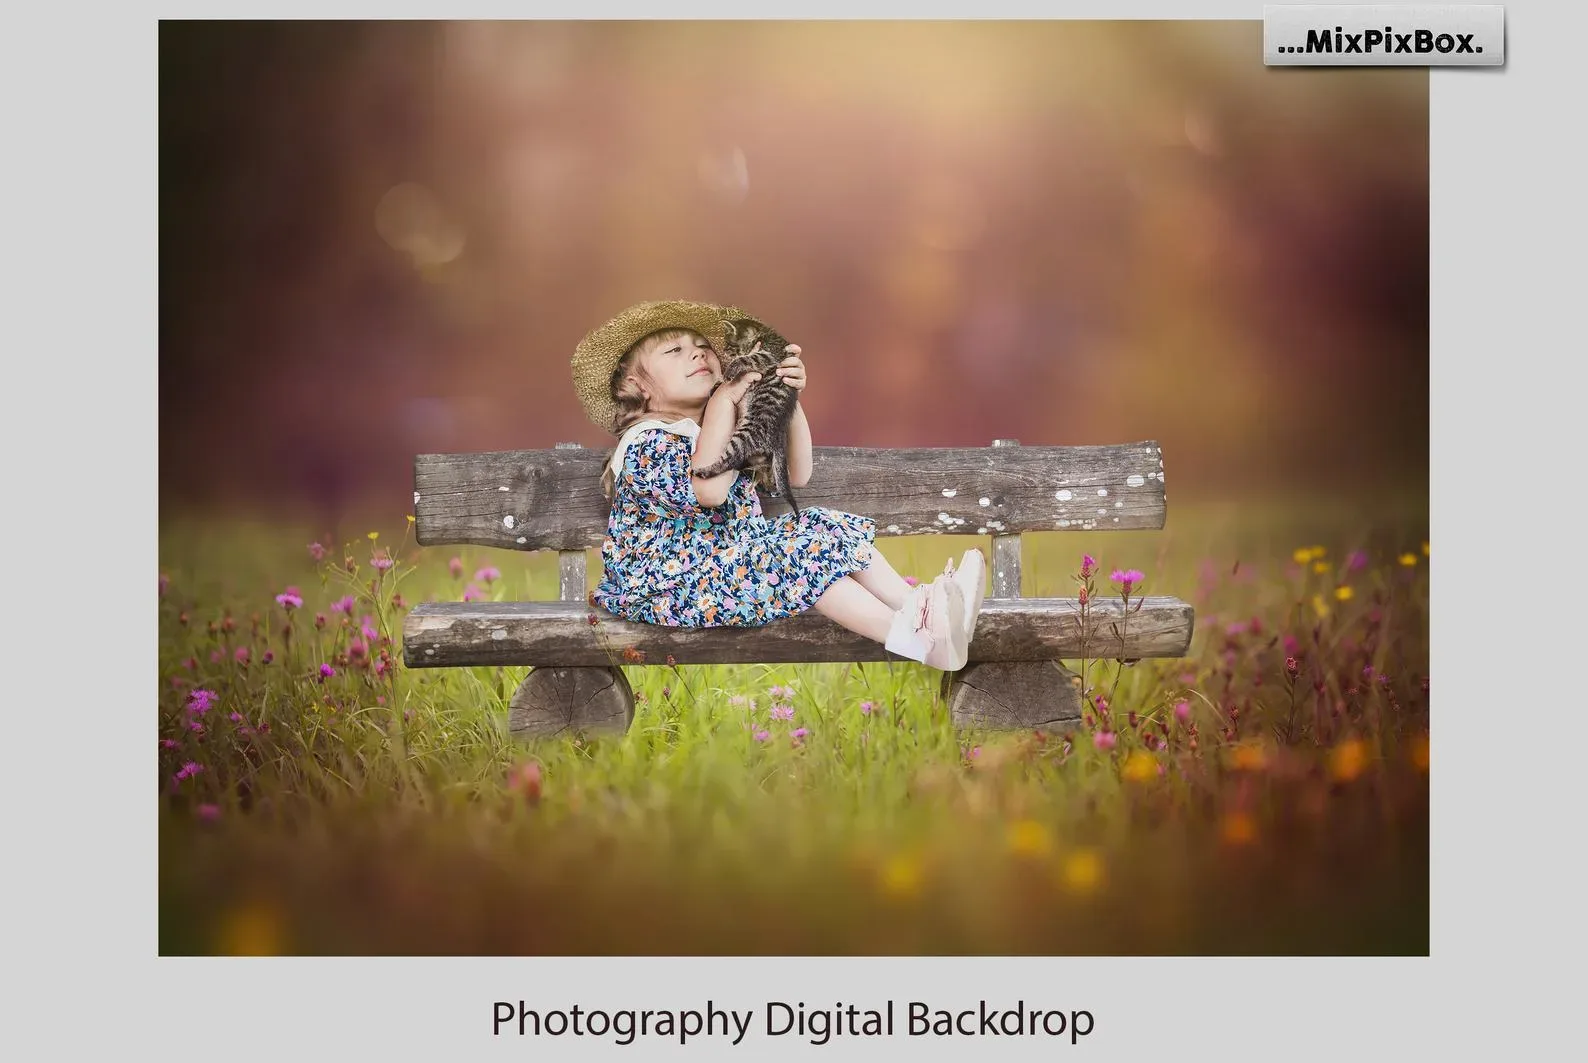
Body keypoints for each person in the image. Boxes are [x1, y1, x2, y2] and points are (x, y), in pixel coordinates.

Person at [570, 299, 986, 670]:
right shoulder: (646, 443)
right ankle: (918, 640)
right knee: (798, 551)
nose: (697, 351)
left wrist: (787, 397)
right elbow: (709, 491)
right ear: (636, 385)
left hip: (726, 572)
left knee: (822, 526)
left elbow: (798, 474)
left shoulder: (722, 427)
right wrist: (722, 404)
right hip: (671, 588)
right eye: (675, 350)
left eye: (702, 346)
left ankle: (922, 609)